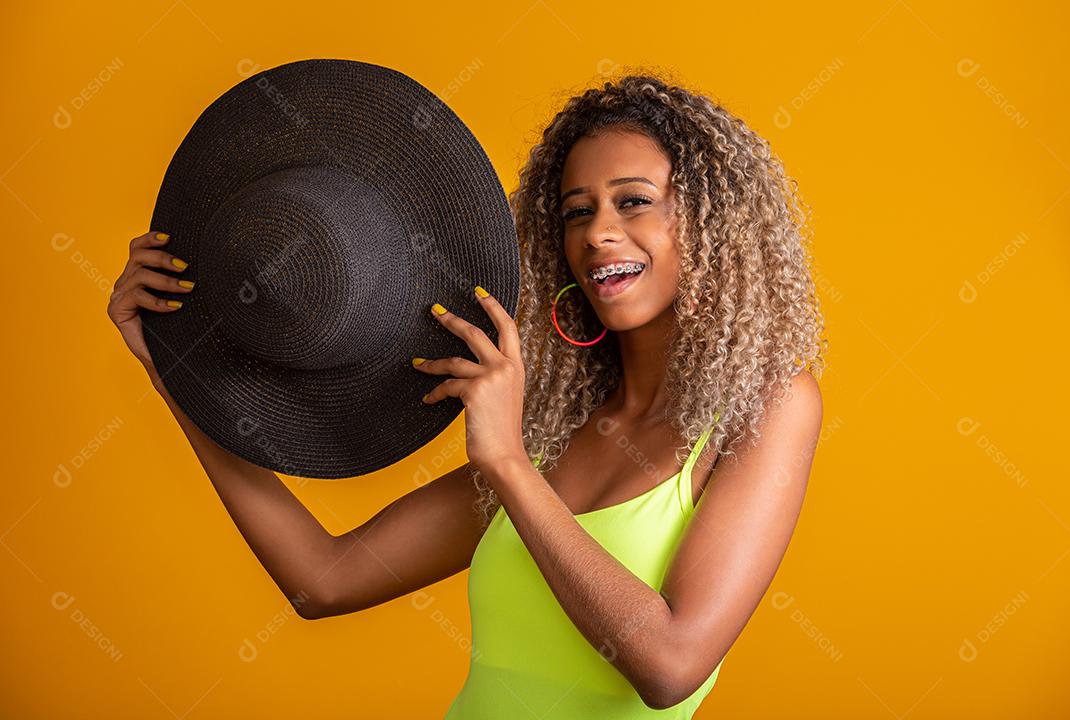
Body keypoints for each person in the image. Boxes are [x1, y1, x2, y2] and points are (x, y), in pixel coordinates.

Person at [107, 70, 826, 718]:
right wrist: (177, 372)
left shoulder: (767, 409)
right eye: (576, 212)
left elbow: (669, 667)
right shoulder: (555, 426)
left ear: (711, 221)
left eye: (633, 201)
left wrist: (508, 465)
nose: (599, 234)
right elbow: (324, 580)